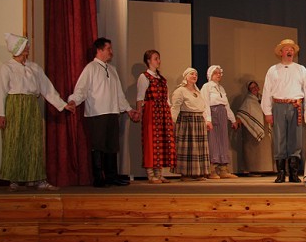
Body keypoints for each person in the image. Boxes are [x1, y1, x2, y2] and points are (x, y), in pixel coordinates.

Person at [0, 33, 75, 191]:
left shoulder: (34, 67)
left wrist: (62, 104)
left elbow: (47, 88)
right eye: (25, 46)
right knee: (13, 141)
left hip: (31, 106)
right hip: (14, 106)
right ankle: (14, 180)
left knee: (34, 142)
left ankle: (37, 179)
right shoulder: (7, 67)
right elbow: (0, 91)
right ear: (17, 48)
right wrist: (1, 114)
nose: (28, 48)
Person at [68, 38, 138, 188]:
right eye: (108, 49)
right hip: (97, 113)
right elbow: (81, 89)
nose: (111, 52)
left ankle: (111, 176)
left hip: (112, 112)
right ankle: (99, 177)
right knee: (98, 145)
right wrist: (73, 100)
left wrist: (128, 109)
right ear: (99, 50)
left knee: (112, 145)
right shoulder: (91, 68)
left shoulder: (112, 70)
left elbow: (119, 94)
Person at [261, 39, 306, 183]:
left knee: (295, 140)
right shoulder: (273, 70)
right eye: (286, 49)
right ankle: (281, 173)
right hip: (279, 106)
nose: (289, 51)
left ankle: (294, 173)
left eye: (291, 49)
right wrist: (267, 112)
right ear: (281, 52)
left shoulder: (301, 69)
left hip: (296, 106)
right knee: (279, 138)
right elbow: (267, 91)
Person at [135, 49, 176, 184]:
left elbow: (167, 99)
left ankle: (159, 173)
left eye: (159, 58)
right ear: (148, 61)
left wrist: (169, 115)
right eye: (155, 58)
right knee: (151, 141)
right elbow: (140, 97)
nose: (158, 61)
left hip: (163, 111)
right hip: (151, 111)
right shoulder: (144, 77)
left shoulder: (162, 79)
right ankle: (151, 174)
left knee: (162, 141)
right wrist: (139, 112)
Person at [170, 68, 212, 181]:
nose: (194, 76)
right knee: (187, 148)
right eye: (192, 74)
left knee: (198, 148)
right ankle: (185, 174)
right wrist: (172, 122)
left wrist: (206, 120)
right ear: (186, 76)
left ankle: (197, 173)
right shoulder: (180, 91)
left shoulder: (197, 92)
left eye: (196, 74)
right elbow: (175, 107)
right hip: (187, 121)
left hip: (198, 121)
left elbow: (202, 107)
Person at [201, 65, 240, 179]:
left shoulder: (221, 88)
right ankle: (211, 169)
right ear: (210, 75)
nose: (218, 75)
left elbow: (226, 105)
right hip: (213, 113)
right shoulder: (207, 87)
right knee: (213, 141)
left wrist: (232, 119)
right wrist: (208, 119)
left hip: (222, 114)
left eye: (219, 73)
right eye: (215, 73)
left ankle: (223, 169)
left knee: (223, 140)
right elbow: (205, 103)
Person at [236, 81, 274, 174]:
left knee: (265, 150)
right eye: (252, 88)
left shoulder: (263, 98)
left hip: (264, 126)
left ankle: (265, 168)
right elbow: (242, 113)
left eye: (255, 87)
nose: (254, 89)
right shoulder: (248, 101)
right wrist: (237, 121)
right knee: (253, 151)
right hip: (252, 129)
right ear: (249, 90)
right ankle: (253, 169)